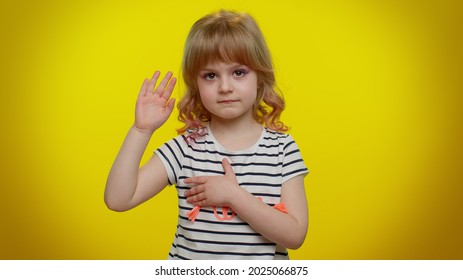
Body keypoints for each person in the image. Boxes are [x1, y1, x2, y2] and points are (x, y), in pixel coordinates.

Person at [105, 9, 309, 260]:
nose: (225, 87)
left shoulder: (282, 150)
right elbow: (118, 200)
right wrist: (141, 130)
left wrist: (234, 196)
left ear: (260, 77)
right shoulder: (185, 149)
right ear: (196, 84)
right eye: (210, 75)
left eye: (238, 72)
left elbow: (295, 235)